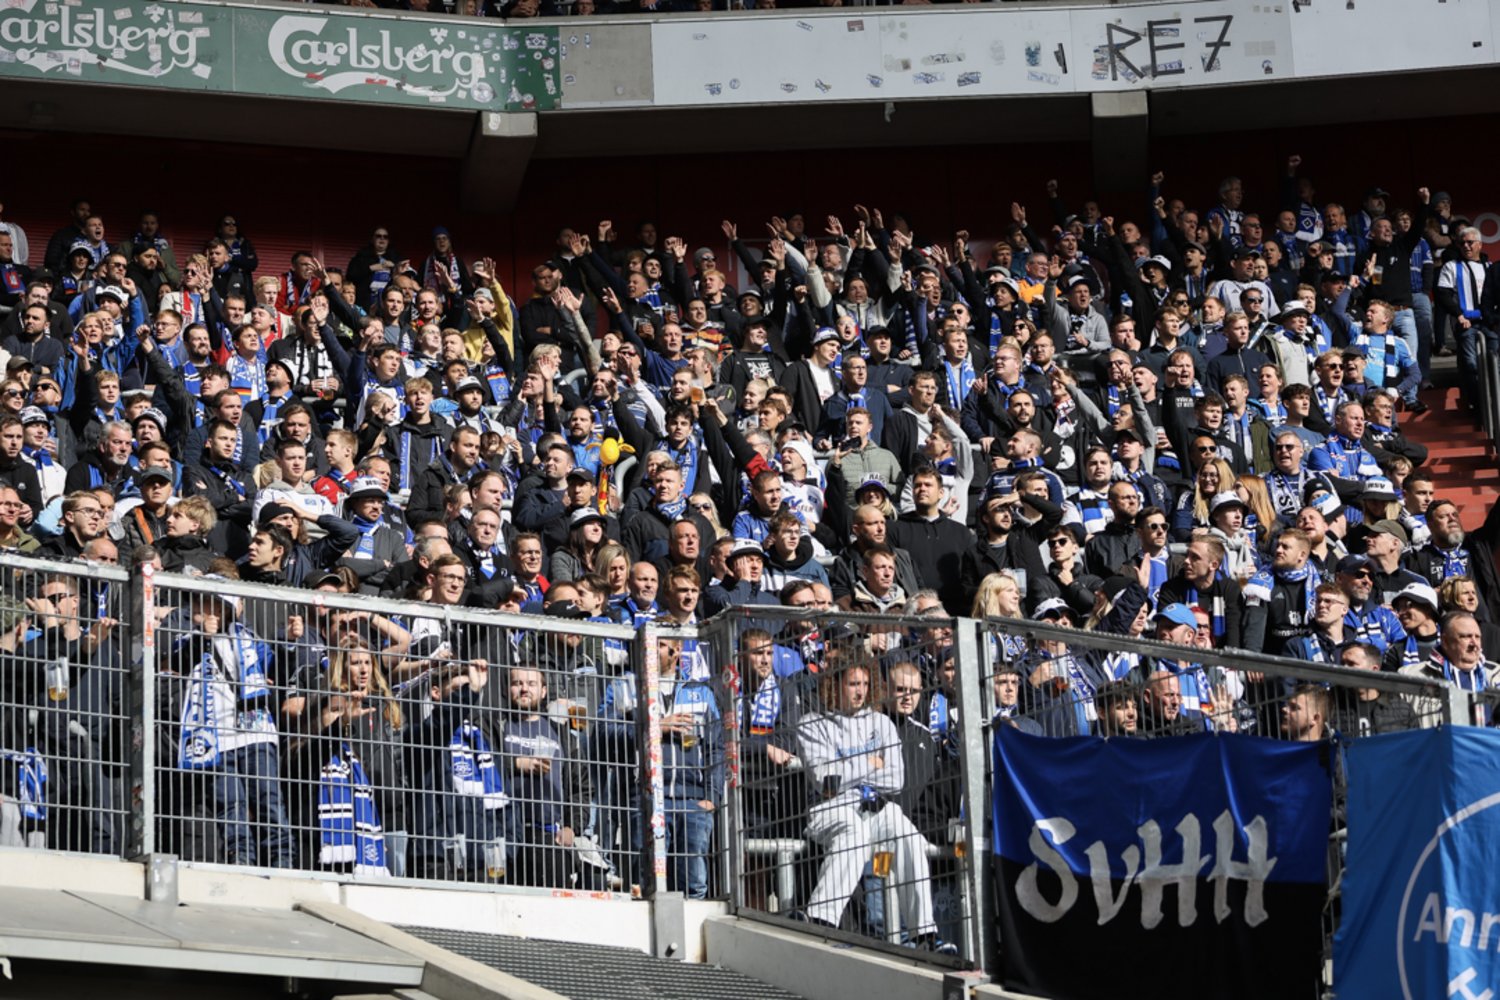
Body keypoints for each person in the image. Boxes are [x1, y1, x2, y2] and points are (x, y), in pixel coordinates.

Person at [795, 661, 953, 953]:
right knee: (853, 834)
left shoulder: (881, 723)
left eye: (865, 685)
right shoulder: (811, 722)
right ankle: (820, 919)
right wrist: (869, 762)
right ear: (834, 684)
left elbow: (895, 779)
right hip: (832, 809)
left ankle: (926, 935)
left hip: (875, 807)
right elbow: (826, 781)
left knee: (911, 838)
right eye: (854, 684)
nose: (861, 692)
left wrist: (847, 769)